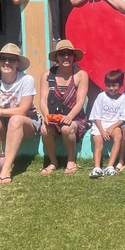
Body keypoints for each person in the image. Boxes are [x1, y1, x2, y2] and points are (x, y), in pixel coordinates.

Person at [0, 43, 40, 185]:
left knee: (16, 119)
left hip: (26, 124)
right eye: (3, 58)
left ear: (18, 63)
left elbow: (23, 111)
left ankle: (6, 169)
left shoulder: (26, 80)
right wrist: (1, 111)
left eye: (12, 59)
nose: (7, 62)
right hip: (4, 123)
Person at [38, 40, 89, 175]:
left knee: (67, 128)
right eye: (62, 54)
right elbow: (42, 100)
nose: (66, 57)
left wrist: (70, 117)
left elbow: (81, 101)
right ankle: (53, 161)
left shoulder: (80, 75)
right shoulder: (47, 75)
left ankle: (71, 160)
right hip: (54, 116)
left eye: (69, 54)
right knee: (44, 129)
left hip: (75, 117)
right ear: (57, 57)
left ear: (73, 56)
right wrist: (46, 116)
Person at [88, 70, 125, 178]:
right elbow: (96, 116)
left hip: (114, 124)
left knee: (118, 137)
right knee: (98, 143)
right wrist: (102, 131)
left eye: (114, 85)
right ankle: (97, 168)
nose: (111, 88)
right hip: (99, 125)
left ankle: (110, 167)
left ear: (120, 85)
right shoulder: (101, 96)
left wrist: (111, 128)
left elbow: (122, 118)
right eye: (108, 86)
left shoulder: (124, 99)